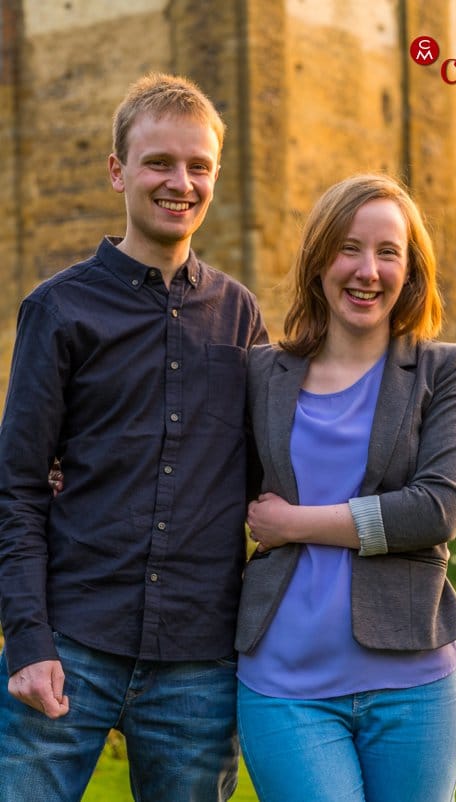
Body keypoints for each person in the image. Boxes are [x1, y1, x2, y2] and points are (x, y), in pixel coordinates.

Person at [0, 73, 267, 801]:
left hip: (199, 665)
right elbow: (17, 488)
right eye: (159, 163)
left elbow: (266, 477)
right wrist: (27, 641)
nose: (181, 182)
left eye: (198, 166)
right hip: (71, 643)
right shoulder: (58, 310)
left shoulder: (240, 316)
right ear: (118, 171)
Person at [233, 173, 456, 802]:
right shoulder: (261, 372)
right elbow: (198, 471)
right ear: (319, 260)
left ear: (410, 270)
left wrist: (294, 524)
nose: (367, 270)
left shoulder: (445, 370)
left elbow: (437, 508)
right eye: (348, 248)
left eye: (387, 252)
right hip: (284, 685)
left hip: (414, 683)